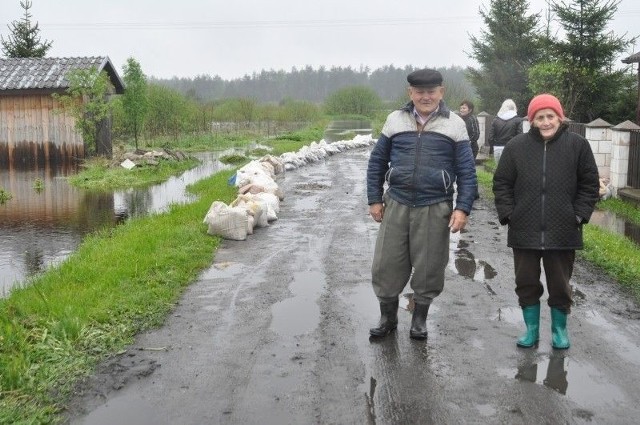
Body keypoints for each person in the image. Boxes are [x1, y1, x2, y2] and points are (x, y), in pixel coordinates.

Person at [366, 69, 478, 340]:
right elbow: (377, 162)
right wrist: (374, 199)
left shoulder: (454, 124)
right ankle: (387, 318)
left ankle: (419, 320)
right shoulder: (395, 119)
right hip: (396, 203)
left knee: (429, 266)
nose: (425, 97)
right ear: (410, 93)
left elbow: (466, 170)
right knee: (386, 264)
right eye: (419, 92)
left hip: (435, 205)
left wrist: (462, 208)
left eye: (431, 91)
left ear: (441, 92)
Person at [492, 93, 599, 350]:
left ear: (560, 118)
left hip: (563, 230)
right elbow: (502, 183)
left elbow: (589, 184)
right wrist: (509, 214)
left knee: (560, 284)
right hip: (524, 230)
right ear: (532, 120)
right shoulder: (516, 146)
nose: (546, 121)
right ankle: (531, 331)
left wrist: (578, 215)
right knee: (526, 282)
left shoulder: (577, 145)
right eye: (540, 117)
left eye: (550, 116)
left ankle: (559, 330)